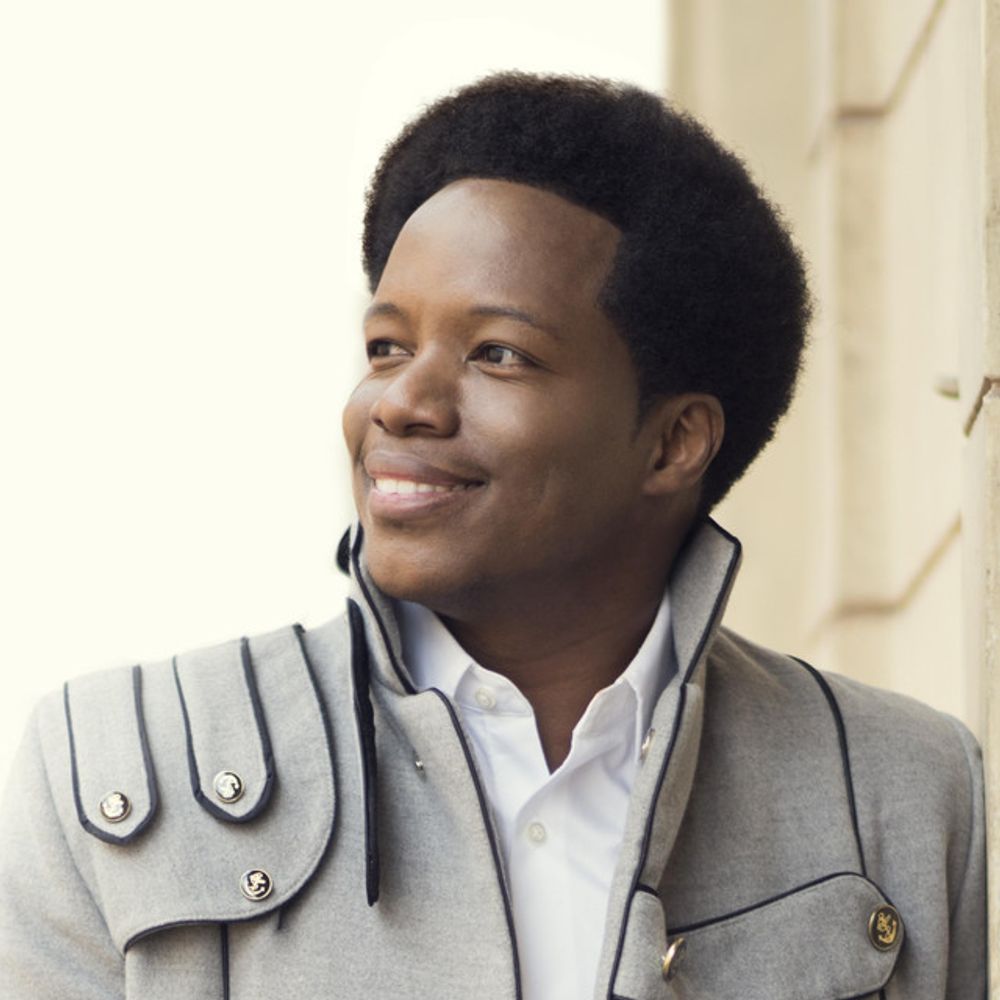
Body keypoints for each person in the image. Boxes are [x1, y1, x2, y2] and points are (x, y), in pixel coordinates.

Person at [0, 72, 986, 1000]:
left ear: (673, 442)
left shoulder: (915, 794)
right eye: (388, 346)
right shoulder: (113, 769)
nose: (402, 401)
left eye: (498, 354)